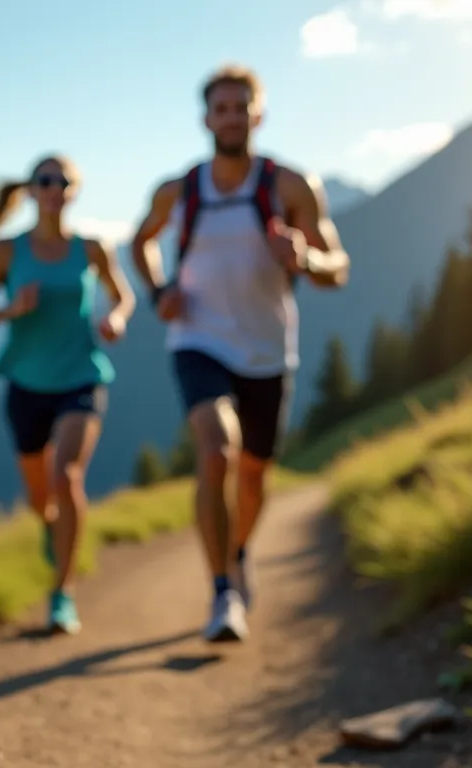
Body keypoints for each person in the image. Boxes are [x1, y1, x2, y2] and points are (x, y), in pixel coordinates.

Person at [128, 64, 351, 643]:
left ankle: (240, 551)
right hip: (198, 340)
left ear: (258, 114)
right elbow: (140, 241)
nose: (231, 117)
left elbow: (339, 268)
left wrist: (304, 257)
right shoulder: (181, 190)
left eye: (240, 107)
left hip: (269, 351)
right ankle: (223, 590)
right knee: (216, 450)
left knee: (254, 477)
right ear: (206, 118)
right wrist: (158, 293)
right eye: (220, 108)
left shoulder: (291, 186)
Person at [0, 154, 136, 635]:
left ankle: (63, 594)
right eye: (45, 180)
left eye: (64, 181)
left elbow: (123, 295)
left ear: (74, 191)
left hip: (82, 377)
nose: (55, 187)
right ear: (32, 190)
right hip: (25, 385)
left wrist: (116, 319)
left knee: (68, 475)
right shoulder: (6, 251)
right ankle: (49, 526)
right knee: (41, 497)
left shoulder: (93, 248)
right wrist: (11, 309)